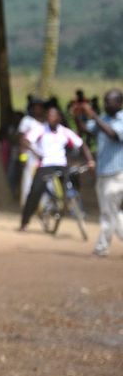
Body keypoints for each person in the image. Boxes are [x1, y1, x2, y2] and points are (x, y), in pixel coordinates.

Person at [19, 105, 95, 232]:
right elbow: (25, 141)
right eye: (49, 116)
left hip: (61, 165)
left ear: (59, 118)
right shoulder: (40, 130)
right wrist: (35, 152)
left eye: (53, 116)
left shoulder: (65, 132)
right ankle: (24, 222)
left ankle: (76, 210)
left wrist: (90, 160)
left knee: (72, 184)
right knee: (35, 192)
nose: (51, 119)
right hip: (45, 165)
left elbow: (82, 145)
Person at [77, 89, 123, 257]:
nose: (106, 104)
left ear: (119, 103)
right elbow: (86, 130)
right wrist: (78, 113)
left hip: (117, 174)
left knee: (107, 213)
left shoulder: (121, 119)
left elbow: (113, 134)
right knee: (113, 212)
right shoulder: (103, 118)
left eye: (109, 101)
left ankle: (101, 248)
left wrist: (94, 116)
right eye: (105, 101)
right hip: (102, 173)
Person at [16, 97, 46, 204]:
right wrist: (22, 157)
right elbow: (21, 140)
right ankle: (27, 204)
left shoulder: (46, 122)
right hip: (30, 156)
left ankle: (43, 205)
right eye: (35, 107)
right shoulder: (26, 121)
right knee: (28, 180)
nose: (38, 110)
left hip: (44, 157)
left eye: (40, 107)